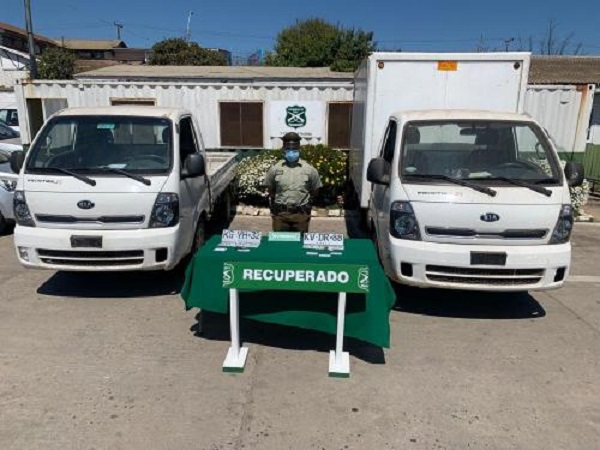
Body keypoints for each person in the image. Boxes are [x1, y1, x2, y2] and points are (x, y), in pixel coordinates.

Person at [265, 132, 322, 232]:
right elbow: (271, 190)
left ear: (299, 148)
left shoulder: (310, 169)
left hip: (301, 215)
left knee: (300, 245)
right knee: (280, 245)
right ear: (283, 149)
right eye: (288, 148)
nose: (291, 152)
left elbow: (315, 191)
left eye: (294, 149)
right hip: (281, 215)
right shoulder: (274, 169)